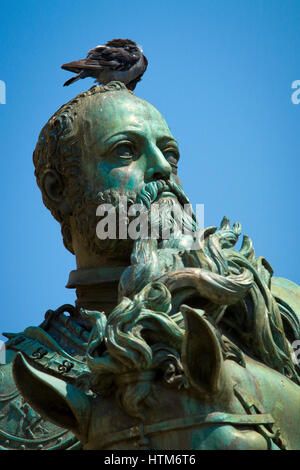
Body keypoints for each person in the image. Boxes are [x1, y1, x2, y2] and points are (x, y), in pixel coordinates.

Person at [1, 82, 299, 450]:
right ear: (58, 189)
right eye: (125, 151)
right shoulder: (11, 383)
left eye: (170, 154)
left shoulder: (282, 310)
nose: (162, 168)